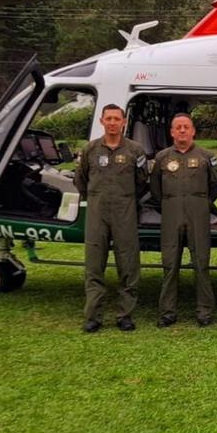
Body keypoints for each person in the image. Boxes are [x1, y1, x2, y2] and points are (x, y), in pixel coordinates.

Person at [73, 104, 148, 333]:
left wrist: (125, 199)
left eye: (117, 119)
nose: (113, 122)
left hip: (125, 211)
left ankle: (125, 315)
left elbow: (142, 181)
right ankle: (94, 316)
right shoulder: (90, 149)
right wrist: (95, 197)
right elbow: (81, 179)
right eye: (109, 118)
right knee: (94, 264)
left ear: (124, 122)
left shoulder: (135, 151)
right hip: (97, 211)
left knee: (128, 263)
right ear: (102, 121)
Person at [149, 113, 217, 328]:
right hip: (171, 212)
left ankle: (204, 311)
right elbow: (155, 188)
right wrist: (170, 204)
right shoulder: (162, 157)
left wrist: (202, 202)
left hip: (198, 212)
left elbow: (216, 185)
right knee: (170, 264)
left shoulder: (206, 156)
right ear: (172, 132)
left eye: (186, 127)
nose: (182, 130)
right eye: (178, 127)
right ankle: (168, 312)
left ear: (193, 131)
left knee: (201, 263)